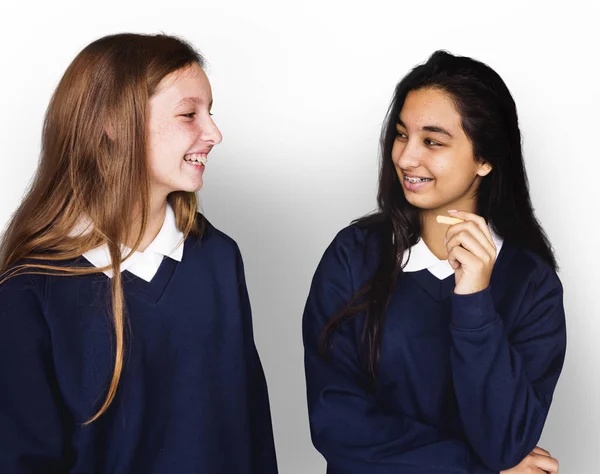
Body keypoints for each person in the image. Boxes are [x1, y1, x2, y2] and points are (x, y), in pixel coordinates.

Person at [0, 33, 278, 474]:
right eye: (189, 114)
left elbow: (252, 431)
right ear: (113, 122)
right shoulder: (30, 289)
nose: (215, 133)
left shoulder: (219, 258)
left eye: (211, 113)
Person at [303, 50, 565, 474]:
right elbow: (337, 422)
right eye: (402, 135)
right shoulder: (353, 255)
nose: (406, 157)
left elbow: (508, 441)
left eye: (433, 141)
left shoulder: (531, 284)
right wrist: (472, 469)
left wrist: (475, 301)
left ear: (485, 158)